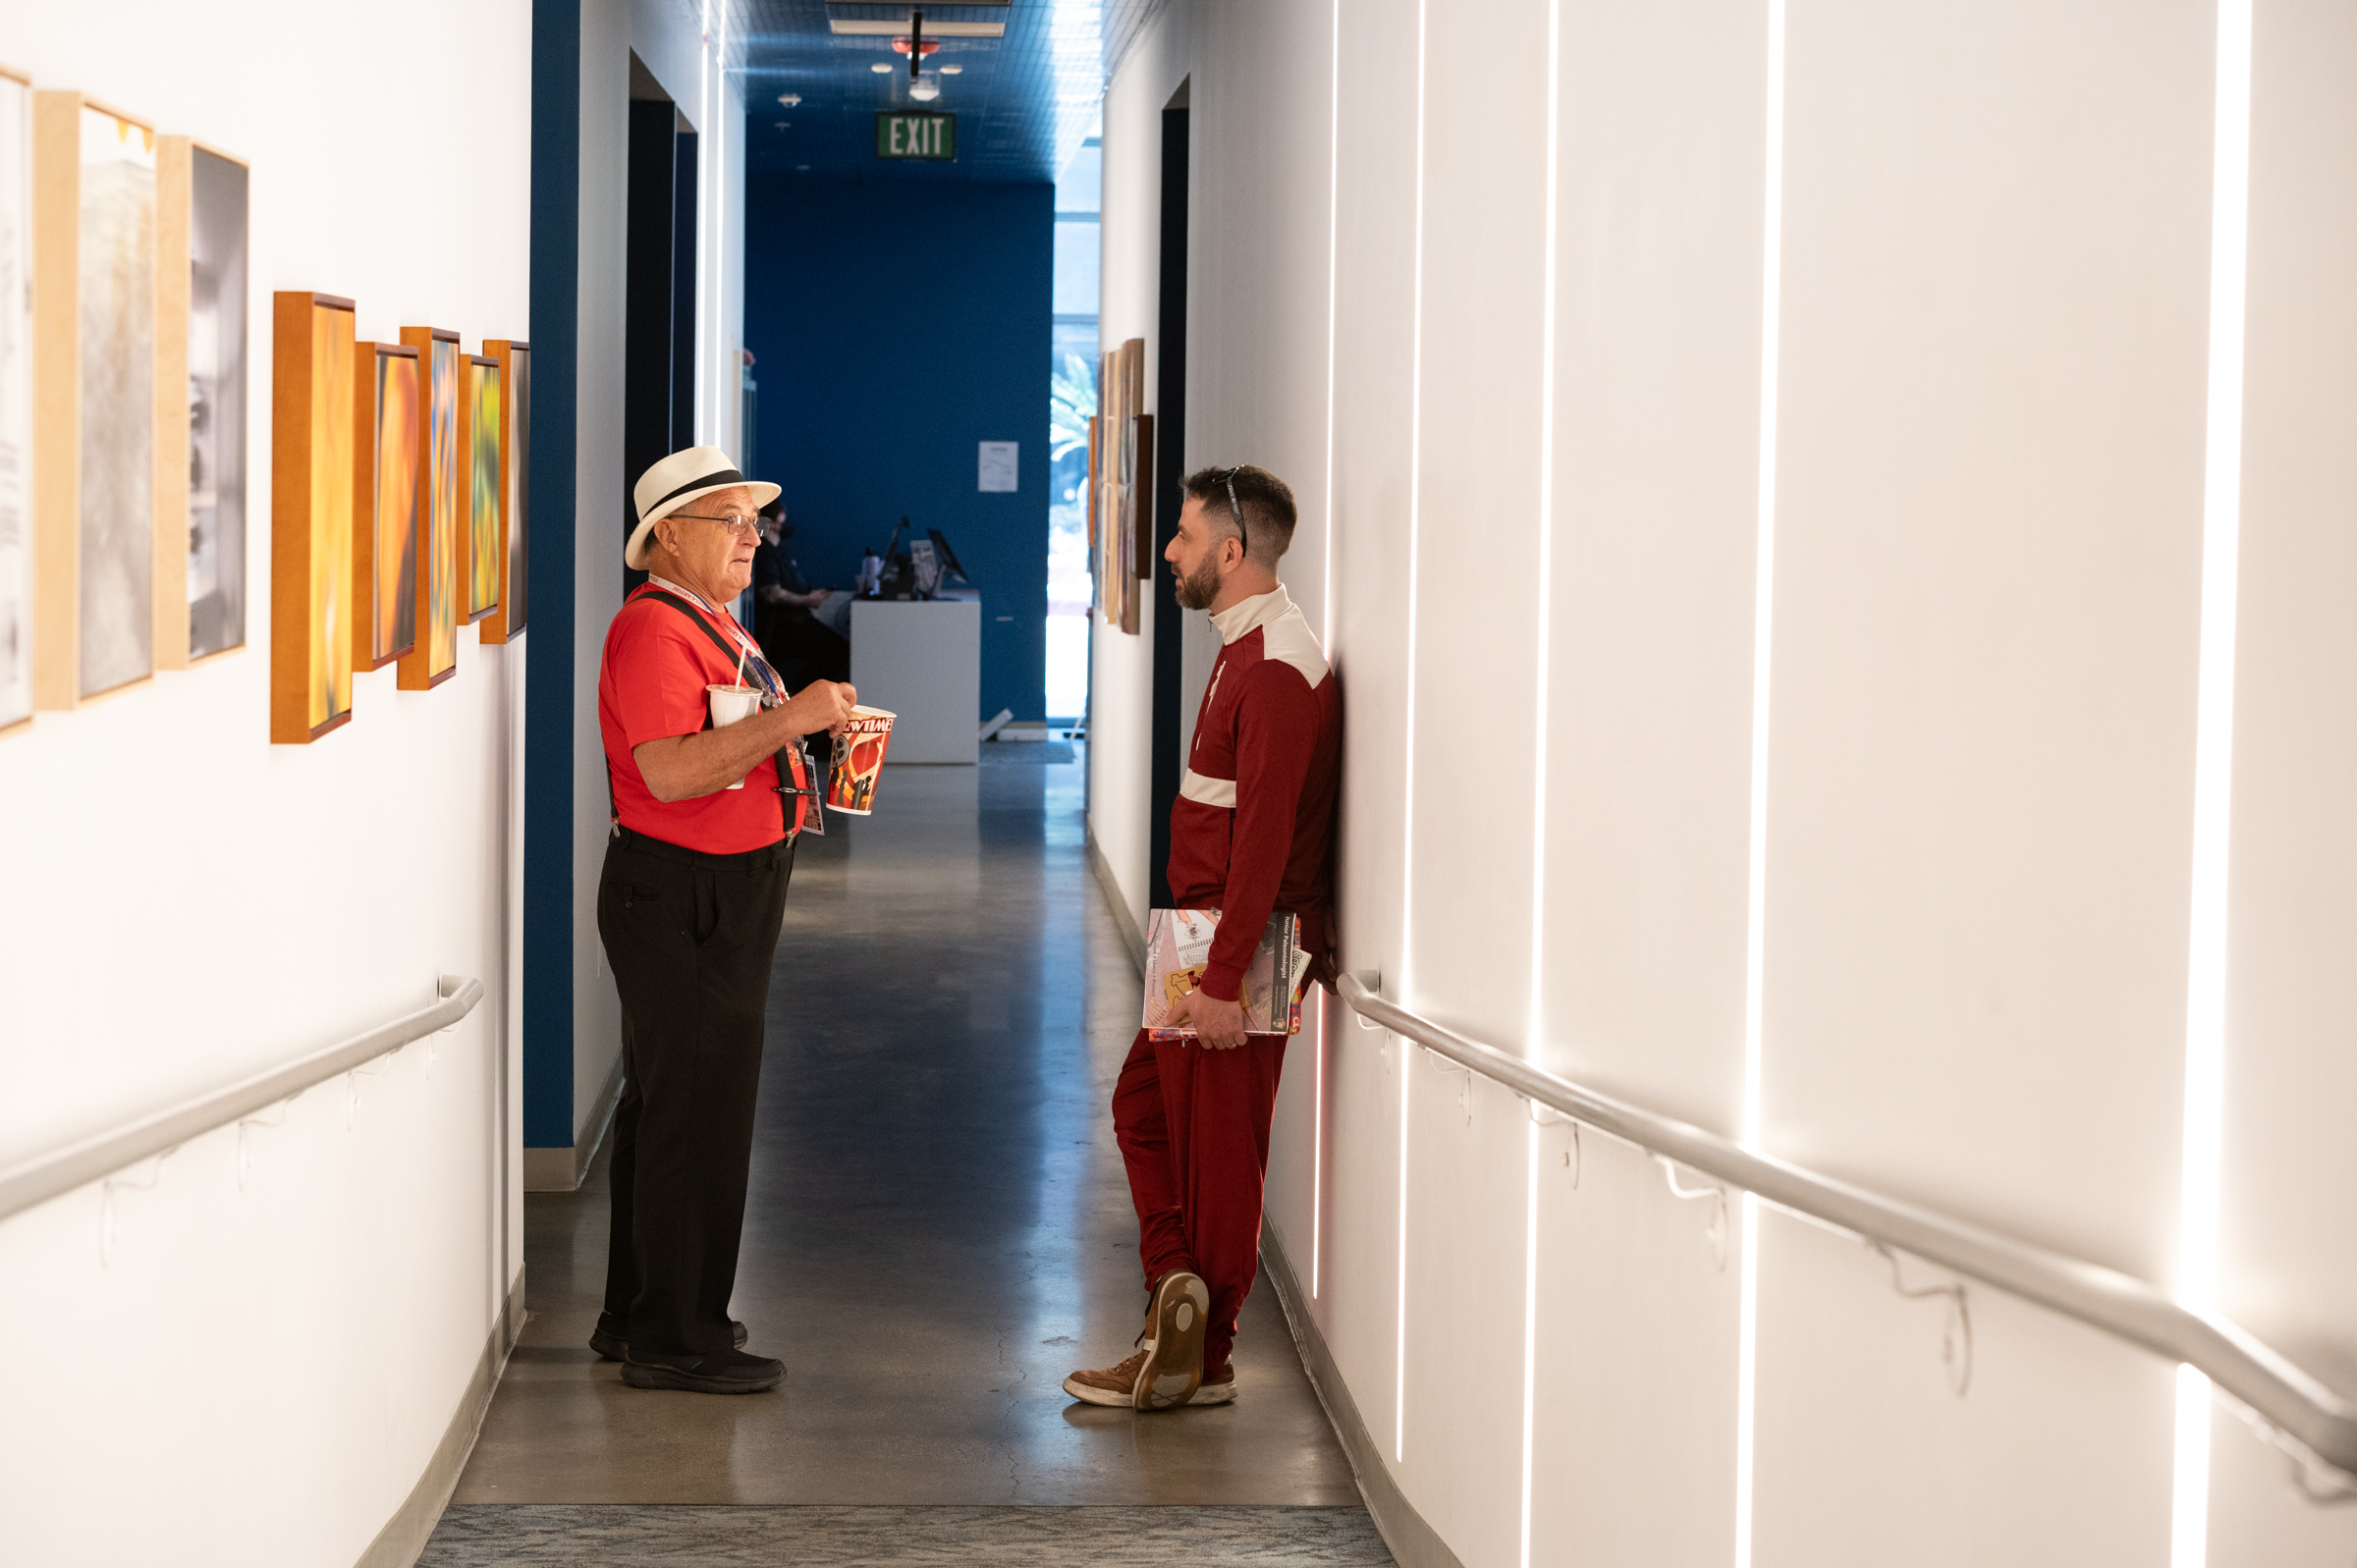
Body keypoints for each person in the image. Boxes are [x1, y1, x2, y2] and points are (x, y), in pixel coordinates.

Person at [1063, 464, 1342, 1412]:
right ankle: (1174, 1296)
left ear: (1232, 549)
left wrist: (1224, 981)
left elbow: (1264, 841)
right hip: (1201, 939)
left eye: (1184, 535)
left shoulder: (1274, 671)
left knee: (1221, 1159)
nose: (1170, 550)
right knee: (1142, 1107)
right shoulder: (1241, 646)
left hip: (1234, 950)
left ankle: (1201, 1356)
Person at [592, 445, 856, 1395]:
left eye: (753, 522)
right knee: (698, 1113)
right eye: (731, 521)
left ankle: (641, 1312)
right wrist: (793, 720)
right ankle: (679, 1334)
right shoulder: (654, 632)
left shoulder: (705, 619)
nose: (753, 538)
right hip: (686, 894)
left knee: (670, 1104)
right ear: (667, 536)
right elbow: (669, 770)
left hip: (712, 891)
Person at [751, 499, 849, 690]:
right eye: (782, 517)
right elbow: (771, 593)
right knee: (838, 650)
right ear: (772, 521)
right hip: (783, 627)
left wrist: (810, 597)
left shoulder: (780, 553)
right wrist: (807, 600)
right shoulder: (765, 552)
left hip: (799, 623)